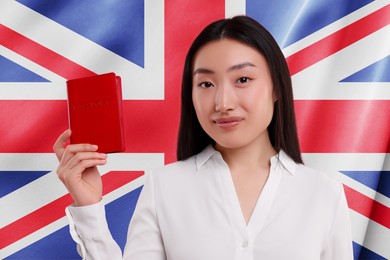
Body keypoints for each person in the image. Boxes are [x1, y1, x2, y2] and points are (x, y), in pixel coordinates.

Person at [54, 15, 353, 260]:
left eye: (243, 80)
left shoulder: (324, 194)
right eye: (206, 83)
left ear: (276, 88)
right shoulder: (165, 188)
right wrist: (89, 208)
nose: (223, 103)